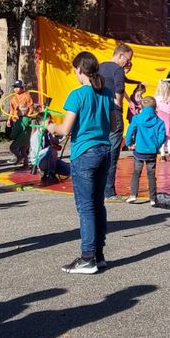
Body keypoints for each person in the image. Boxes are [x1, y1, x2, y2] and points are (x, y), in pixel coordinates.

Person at [46, 51, 114, 274]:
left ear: (79, 70)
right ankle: (99, 255)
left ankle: (87, 257)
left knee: (85, 208)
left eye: (74, 69)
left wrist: (50, 126)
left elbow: (64, 130)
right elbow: (113, 125)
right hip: (105, 150)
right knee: (97, 204)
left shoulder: (77, 95)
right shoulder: (106, 93)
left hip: (85, 153)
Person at [99, 43, 133, 201]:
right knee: (112, 152)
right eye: (127, 59)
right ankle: (109, 192)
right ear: (120, 55)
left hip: (99, 113)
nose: (128, 63)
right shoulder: (117, 69)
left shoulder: (99, 67)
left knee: (99, 149)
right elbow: (120, 88)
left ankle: (97, 188)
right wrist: (118, 104)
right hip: (113, 112)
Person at [124, 96, 165, 205]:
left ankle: (133, 195)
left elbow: (129, 132)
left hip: (139, 150)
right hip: (151, 151)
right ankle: (153, 198)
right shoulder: (159, 121)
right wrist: (156, 146)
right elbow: (162, 136)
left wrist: (129, 143)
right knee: (151, 174)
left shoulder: (137, 119)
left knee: (136, 172)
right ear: (154, 107)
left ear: (142, 106)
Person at [153, 79, 170, 161]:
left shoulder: (157, 98)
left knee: (161, 137)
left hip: (160, 120)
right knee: (169, 137)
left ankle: (162, 155)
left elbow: (155, 109)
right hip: (169, 120)